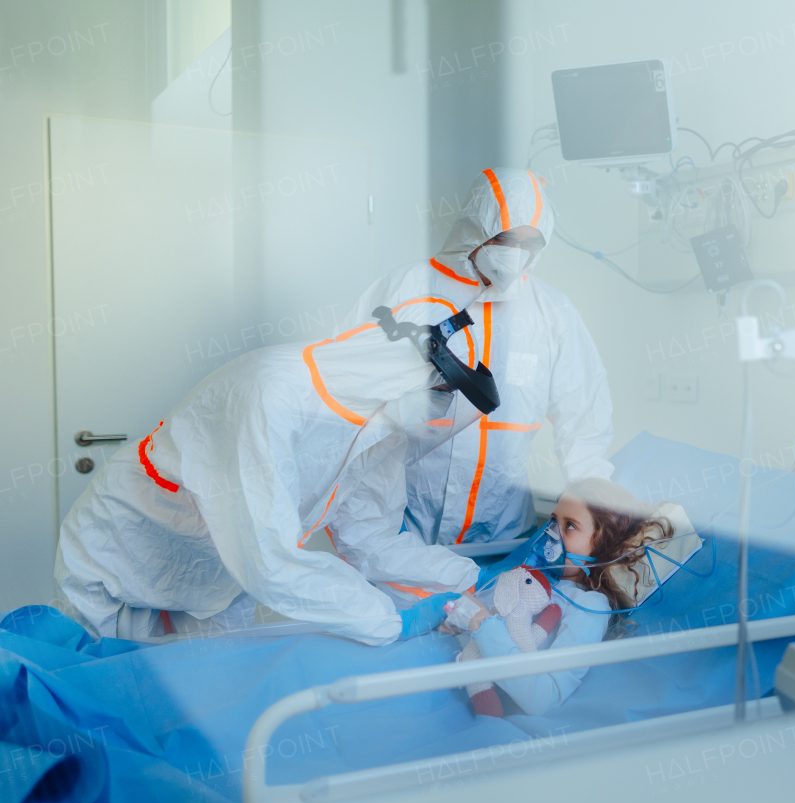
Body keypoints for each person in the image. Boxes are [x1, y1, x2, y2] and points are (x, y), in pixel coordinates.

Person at [54, 300, 488, 645]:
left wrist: (470, 577)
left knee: (202, 713)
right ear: (400, 363)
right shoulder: (274, 394)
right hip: (125, 552)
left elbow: (369, 540)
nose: (440, 406)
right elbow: (270, 559)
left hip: (221, 580)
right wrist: (389, 622)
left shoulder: (380, 425)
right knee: (85, 701)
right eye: (441, 390)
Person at [336, 167, 613, 552]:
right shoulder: (405, 290)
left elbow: (584, 417)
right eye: (506, 238)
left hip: (503, 531)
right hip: (404, 524)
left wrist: (598, 511)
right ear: (476, 227)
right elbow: (345, 397)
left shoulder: (552, 313)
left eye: (530, 244)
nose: (517, 254)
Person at [442, 478, 673, 716]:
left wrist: (481, 624)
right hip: (449, 662)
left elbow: (541, 699)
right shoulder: (535, 579)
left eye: (570, 525)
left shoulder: (590, 606)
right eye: (553, 521)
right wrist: (458, 622)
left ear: (605, 542)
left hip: (474, 697)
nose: (552, 535)